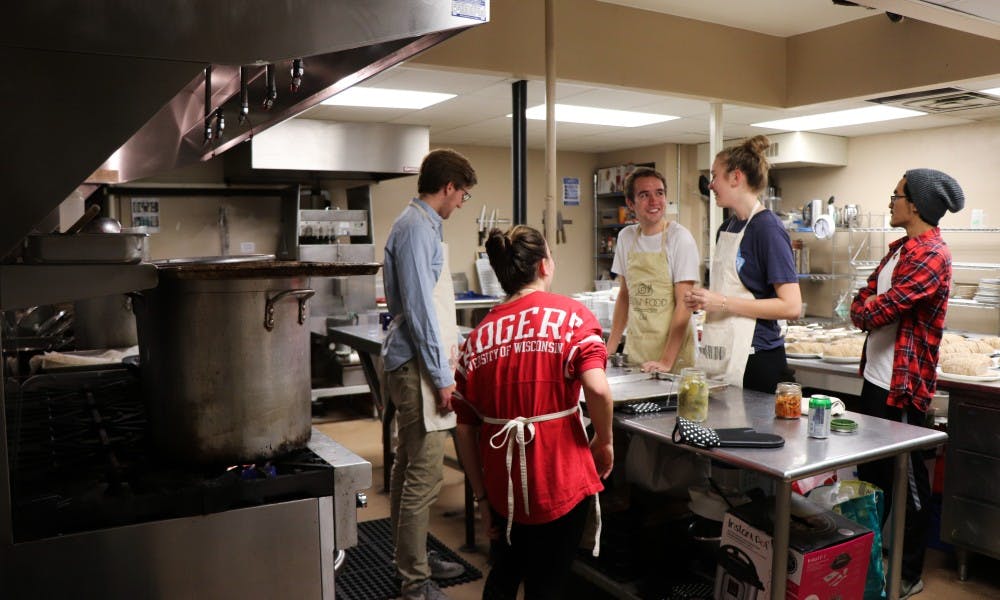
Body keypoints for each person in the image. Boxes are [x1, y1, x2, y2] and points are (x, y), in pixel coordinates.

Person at [453, 225, 614, 600]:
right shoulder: (574, 317)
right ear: (545, 266)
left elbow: (464, 428)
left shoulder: (479, 335)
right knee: (548, 584)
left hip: (502, 484)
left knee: (505, 573)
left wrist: (481, 499)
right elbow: (597, 387)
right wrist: (604, 442)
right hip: (559, 479)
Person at [849, 168, 964, 599]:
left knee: (909, 483)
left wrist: (868, 307)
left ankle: (908, 571)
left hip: (903, 387)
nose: (891, 202)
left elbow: (879, 309)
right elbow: (862, 299)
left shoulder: (933, 254)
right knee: (871, 478)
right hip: (877, 380)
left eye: (896, 195)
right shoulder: (900, 249)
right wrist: (868, 305)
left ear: (916, 204)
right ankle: (868, 565)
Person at [381, 148, 477, 600]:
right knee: (424, 475)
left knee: (406, 467)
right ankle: (414, 581)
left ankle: (410, 557)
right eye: (462, 194)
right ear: (448, 187)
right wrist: (442, 377)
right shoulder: (418, 229)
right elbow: (420, 311)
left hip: (414, 362)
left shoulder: (417, 224)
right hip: (419, 367)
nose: (461, 203)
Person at [684, 135, 801, 392]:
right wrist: (704, 300)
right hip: (723, 350)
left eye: (715, 176)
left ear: (736, 177)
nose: (711, 185)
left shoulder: (768, 229)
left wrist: (722, 303)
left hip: (757, 357)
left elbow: (791, 306)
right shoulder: (727, 228)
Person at [605, 166, 701, 373]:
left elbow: (684, 305)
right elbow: (625, 296)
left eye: (659, 193)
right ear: (631, 203)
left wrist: (666, 362)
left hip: (673, 358)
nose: (654, 201)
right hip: (638, 351)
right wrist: (609, 350)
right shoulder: (626, 238)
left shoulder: (679, 238)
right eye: (644, 195)